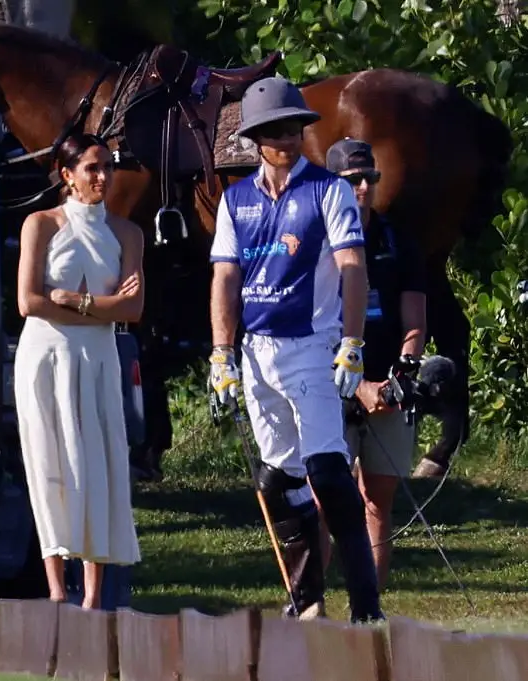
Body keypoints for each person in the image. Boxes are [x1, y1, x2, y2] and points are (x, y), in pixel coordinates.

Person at [208, 76, 383, 623]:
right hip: (257, 351)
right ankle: (308, 602)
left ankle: (366, 608)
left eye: (292, 128)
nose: (285, 139)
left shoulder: (329, 191)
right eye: (273, 131)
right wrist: (221, 353)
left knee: (328, 472)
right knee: (277, 480)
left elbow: (353, 268)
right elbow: (225, 279)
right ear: (255, 139)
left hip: (312, 345)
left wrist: (352, 343)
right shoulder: (236, 199)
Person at [13, 132, 143, 609]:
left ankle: (91, 595)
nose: (102, 176)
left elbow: (134, 308)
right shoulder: (41, 224)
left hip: (98, 356)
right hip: (46, 356)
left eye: (107, 166)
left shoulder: (128, 233)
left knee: (100, 460)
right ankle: (54, 589)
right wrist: (101, 306)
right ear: (67, 175)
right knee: (50, 460)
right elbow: (29, 301)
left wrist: (75, 300)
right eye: (92, 168)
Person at [323, 138, 427, 590]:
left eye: (370, 178)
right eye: (353, 180)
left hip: (388, 386)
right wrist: (358, 386)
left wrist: (397, 379)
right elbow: (309, 325)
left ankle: (370, 606)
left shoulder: (398, 240)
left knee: (375, 500)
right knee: (327, 498)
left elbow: (416, 323)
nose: (363, 187)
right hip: (328, 384)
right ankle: (313, 603)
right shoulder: (316, 242)